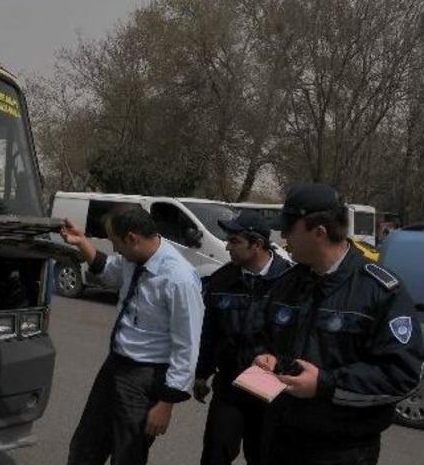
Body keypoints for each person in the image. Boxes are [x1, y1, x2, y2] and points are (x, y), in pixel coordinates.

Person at [253, 183, 424, 465]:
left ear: (319, 232)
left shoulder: (379, 291)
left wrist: (326, 385)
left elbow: (400, 377)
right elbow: (261, 335)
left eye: (289, 228)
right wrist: (263, 356)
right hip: (279, 440)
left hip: (342, 450)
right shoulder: (287, 284)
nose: (282, 236)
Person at [61, 206, 204, 465]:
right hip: (114, 368)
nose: (115, 249)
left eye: (115, 242)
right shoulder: (133, 259)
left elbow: (187, 346)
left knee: (128, 454)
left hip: (145, 378)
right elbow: (107, 270)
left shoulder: (179, 279)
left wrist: (166, 404)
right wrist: (82, 242)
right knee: (85, 447)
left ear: (132, 238)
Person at [194, 210, 292, 465]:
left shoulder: (290, 283)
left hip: (270, 388)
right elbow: (209, 331)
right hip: (229, 384)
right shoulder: (222, 280)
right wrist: (202, 373)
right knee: (215, 453)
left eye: (234, 241)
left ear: (257, 244)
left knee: (262, 455)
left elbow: (298, 340)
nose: (227, 247)